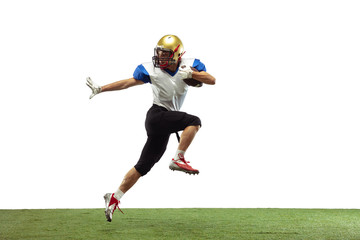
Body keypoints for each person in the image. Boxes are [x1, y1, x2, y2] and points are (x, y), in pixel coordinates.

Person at [86, 34, 216, 222]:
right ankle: (178, 159)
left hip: (166, 121)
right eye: (160, 53)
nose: (161, 57)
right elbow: (127, 83)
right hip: (157, 116)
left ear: (177, 54)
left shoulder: (191, 64)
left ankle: (114, 197)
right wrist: (101, 88)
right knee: (194, 120)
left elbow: (211, 80)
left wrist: (192, 74)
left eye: (165, 54)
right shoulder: (151, 69)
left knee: (144, 166)